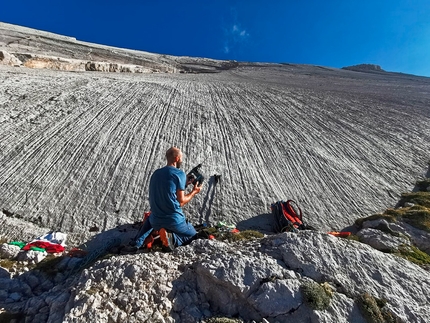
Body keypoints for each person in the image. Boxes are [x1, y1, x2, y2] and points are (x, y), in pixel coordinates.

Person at [130, 147, 202, 251]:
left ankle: (137, 242)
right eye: (181, 158)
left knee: (152, 217)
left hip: (155, 221)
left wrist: (184, 184)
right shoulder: (180, 173)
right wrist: (194, 192)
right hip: (174, 221)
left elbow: (167, 190)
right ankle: (172, 238)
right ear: (177, 158)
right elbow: (181, 202)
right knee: (194, 236)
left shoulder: (155, 174)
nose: (181, 160)